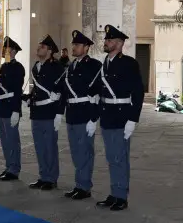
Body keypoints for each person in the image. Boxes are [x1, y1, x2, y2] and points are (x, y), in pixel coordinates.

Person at [95, 25, 144, 211]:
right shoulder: (105, 63)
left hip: (121, 116)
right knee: (111, 157)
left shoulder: (129, 63)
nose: (105, 42)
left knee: (120, 157)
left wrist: (133, 119)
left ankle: (121, 196)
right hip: (107, 115)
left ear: (119, 43)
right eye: (106, 40)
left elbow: (138, 92)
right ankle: (114, 191)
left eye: (109, 40)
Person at [56, 30, 102, 200]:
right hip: (72, 114)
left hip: (85, 113)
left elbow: (98, 94)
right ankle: (79, 184)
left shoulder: (95, 66)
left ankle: (84, 186)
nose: (73, 47)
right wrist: (60, 112)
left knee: (84, 151)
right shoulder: (71, 66)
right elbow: (65, 91)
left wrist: (93, 118)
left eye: (77, 45)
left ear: (87, 47)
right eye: (73, 44)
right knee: (76, 152)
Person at [24, 34, 64, 191]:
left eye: (42, 47)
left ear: (50, 51)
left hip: (49, 112)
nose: (38, 48)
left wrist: (59, 113)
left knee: (49, 147)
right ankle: (43, 176)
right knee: (39, 146)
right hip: (37, 111)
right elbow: (37, 89)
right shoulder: (36, 66)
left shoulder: (56, 67)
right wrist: (29, 97)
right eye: (39, 46)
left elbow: (61, 90)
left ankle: (51, 178)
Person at [0, 36, 26, 181]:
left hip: (10, 107)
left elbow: (17, 91)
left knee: (12, 140)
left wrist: (16, 110)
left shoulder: (17, 67)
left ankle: (14, 169)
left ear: (12, 51)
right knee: (5, 140)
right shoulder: (3, 66)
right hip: (1, 107)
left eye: (5, 48)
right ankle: (8, 166)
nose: (2, 51)